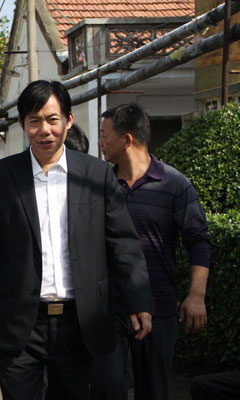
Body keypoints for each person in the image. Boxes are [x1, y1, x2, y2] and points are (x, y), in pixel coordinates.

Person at [0, 80, 153, 400]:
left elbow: (123, 243)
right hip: (19, 322)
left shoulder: (96, 174)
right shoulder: (0, 177)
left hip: (80, 322)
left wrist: (138, 300)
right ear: (22, 123)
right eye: (34, 121)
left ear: (68, 120)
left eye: (53, 119)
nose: (44, 130)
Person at [93, 103, 211, 400]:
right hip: (109, 309)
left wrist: (196, 296)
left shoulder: (175, 185)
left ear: (127, 139)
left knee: (154, 391)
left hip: (158, 307)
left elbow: (198, 240)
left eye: (104, 135)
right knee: (108, 387)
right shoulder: (100, 186)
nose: (100, 142)